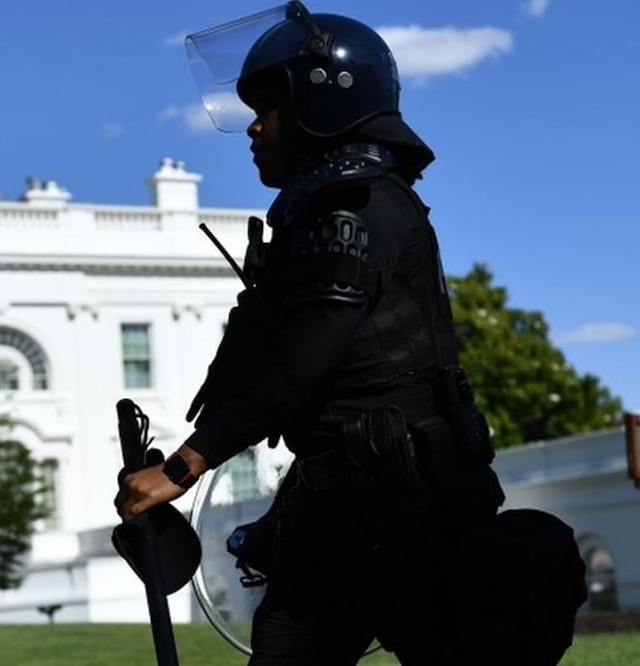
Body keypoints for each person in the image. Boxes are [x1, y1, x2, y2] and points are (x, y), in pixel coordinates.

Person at [116, 3, 583, 664]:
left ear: (321, 103)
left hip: (405, 510)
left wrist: (183, 466)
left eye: (268, 107)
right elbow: (289, 367)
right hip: (339, 505)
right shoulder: (322, 209)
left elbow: (308, 348)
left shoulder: (354, 206)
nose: (254, 126)